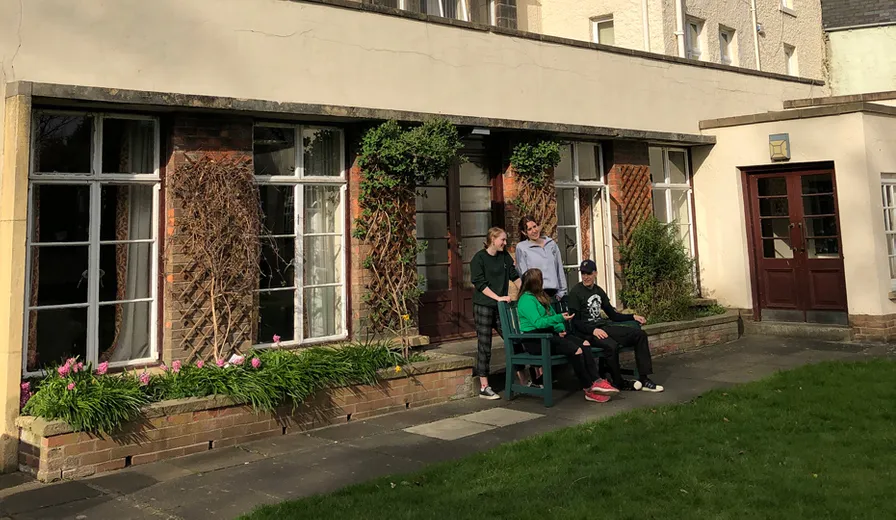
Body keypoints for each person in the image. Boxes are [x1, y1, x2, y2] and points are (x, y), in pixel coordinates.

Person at [516, 268, 619, 403]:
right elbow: (538, 323)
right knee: (576, 350)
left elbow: (553, 317)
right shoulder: (526, 300)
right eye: (540, 280)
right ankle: (588, 388)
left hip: (550, 334)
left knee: (585, 344)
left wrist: (560, 328)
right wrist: (559, 319)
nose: (543, 283)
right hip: (536, 340)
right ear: (534, 283)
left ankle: (597, 381)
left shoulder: (541, 297)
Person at [567, 259, 665, 393]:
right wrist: (593, 330)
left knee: (639, 335)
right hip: (586, 333)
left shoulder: (598, 291)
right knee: (611, 345)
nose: (586, 277)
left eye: (589, 273)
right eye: (583, 273)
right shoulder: (575, 293)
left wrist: (632, 317)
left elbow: (613, 315)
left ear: (595, 273)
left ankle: (644, 378)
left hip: (602, 327)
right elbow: (575, 322)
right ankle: (618, 382)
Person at [470, 227, 530, 399]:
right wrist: (498, 297)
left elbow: (515, 276)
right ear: (492, 239)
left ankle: (524, 380)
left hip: (501, 306)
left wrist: (527, 293)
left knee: (514, 339)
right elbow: (480, 284)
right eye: (502, 240)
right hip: (484, 305)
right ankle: (484, 386)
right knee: (485, 344)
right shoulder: (479, 258)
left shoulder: (504, 257)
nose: (505, 243)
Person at [515, 216, 567, 302]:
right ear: (524, 233)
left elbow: (559, 268)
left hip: (554, 294)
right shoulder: (521, 247)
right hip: (536, 294)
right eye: (529, 229)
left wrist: (562, 291)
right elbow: (523, 274)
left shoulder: (551, 244)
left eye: (535, 226)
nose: (534, 231)